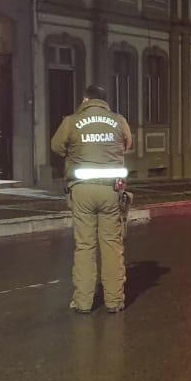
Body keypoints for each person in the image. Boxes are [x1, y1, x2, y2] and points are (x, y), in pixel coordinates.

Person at [51, 84, 133, 314]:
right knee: (111, 245)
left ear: (86, 99)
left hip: (82, 190)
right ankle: (114, 301)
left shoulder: (71, 121)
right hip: (111, 191)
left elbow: (56, 146)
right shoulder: (119, 120)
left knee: (85, 245)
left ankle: (83, 302)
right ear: (105, 101)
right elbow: (127, 144)